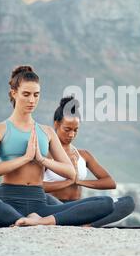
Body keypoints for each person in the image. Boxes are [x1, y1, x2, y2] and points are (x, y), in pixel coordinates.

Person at [0, 66, 114, 228]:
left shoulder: (47, 132)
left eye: (36, 95)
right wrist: (25, 158)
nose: (32, 100)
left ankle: (40, 221)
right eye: (26, 94)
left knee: (105, 202)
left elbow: (69, 172)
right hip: (8, 200)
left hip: (40, 204)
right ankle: (21, 219)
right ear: (14, 93)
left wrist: (41, 159)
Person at [43, 96, 135, 227]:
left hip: (78, 206)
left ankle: (86, 224)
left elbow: (109, 182)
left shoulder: (83, 155)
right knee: (48, 201)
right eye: (67, 129)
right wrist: (67, 182)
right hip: (54, 207)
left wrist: (78, 181)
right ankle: (80, 222)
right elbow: (35, 186)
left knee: (127, 202)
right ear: (56, 124)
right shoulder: (46, 153)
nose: (71, 135)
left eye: (75, 130)